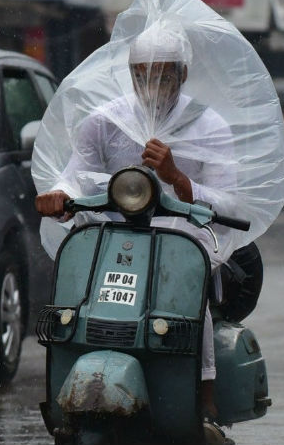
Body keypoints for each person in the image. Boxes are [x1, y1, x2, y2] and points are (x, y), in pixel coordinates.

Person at [35, 23, 235, 426]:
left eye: (164, 73)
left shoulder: (208, 124)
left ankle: (205, 398)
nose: (152, 83)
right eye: (142, 73)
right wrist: (58, 194)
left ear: (182, 74)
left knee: (188, 299)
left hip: (182, 236)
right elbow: (77, 174)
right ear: (131, 74)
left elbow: (228, 198)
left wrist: (179, 178)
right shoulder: (104, 121)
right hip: (112, 239)